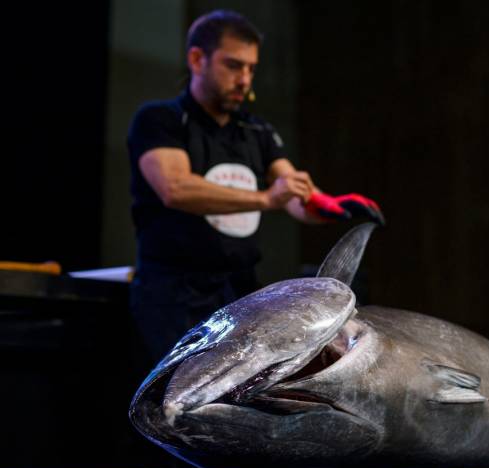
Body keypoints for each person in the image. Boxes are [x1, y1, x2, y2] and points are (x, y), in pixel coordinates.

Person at [127, 10, 383, 363]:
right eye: (233, 66)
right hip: (174, 294)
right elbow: (176, 188)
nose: (245, 79)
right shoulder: (161, 120)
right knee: (181, 399)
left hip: (239, 292)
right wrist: (266, 198)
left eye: (250, 68)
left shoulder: (256, 131)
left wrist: (330, 205)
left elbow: (292, 194)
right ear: (197, 59)